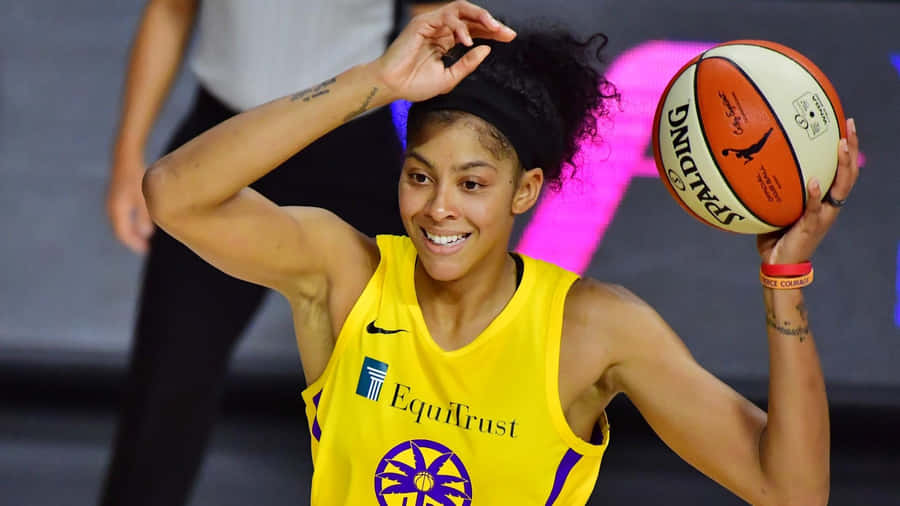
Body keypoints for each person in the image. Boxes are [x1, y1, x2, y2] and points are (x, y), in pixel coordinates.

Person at [142, 1, 860, 503]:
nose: (438, 207)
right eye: (419, 176)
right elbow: (175, 192)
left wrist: (783, 282)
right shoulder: (347, 274)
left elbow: (792, 491)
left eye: (473, 182)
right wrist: (375, 83)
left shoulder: (595, 328)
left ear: (526, 191)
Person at [100, 1, 444, 505]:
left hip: (352, 146)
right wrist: (128, 153)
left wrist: (448, 179)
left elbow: (433, 22)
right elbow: (171, 9)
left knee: (385, 392)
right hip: (222, 140)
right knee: (167, 385)